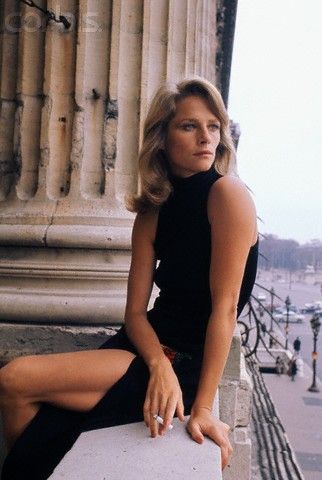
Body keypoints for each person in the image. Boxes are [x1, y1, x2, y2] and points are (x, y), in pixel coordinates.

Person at [0, 77, 258, 479]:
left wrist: (203, 408)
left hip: (189, 364)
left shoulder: (228, 195)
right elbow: (135, 313)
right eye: (189, 126)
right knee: (23, 396)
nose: (206, 137)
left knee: (16, 381)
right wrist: (157, 363)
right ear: (162, 138)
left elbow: (224, 310)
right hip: (147, 350)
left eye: (213, 126)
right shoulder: (153, 212)